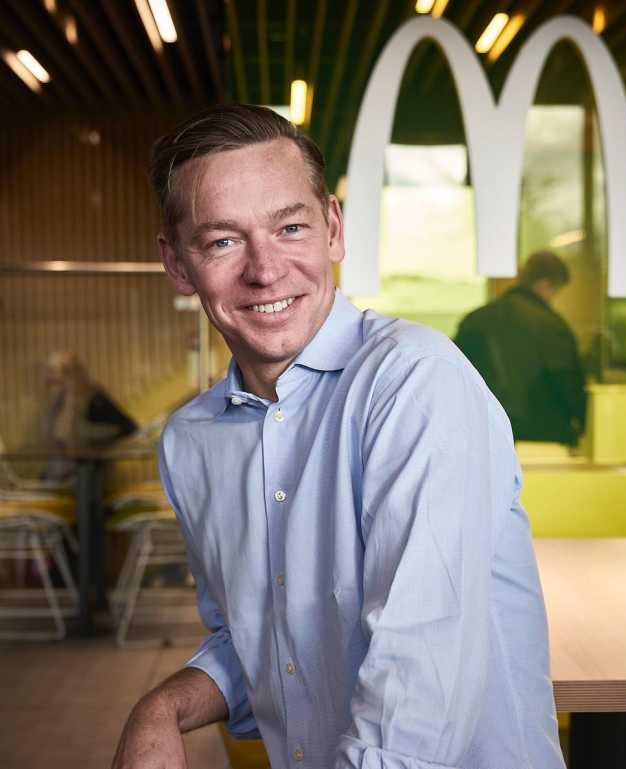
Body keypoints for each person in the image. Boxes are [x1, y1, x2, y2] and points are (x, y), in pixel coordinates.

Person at [112, 105, 565, 769]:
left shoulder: (414, 383)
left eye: (289, 227)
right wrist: (164, 705)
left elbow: (414, 697)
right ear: (178, 265)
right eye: (223, 241)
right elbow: (264, 643)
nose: (265, 269)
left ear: (332, 228)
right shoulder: (193, 441)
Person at [453, 251, 587, 446]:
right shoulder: (552, 326)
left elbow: (456, 379)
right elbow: (567, 382)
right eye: (555, 291)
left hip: (487, 436)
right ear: (544, 284)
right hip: (544, 439)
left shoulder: (475, 320)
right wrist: (584, 423)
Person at [40, 351, 137, 481]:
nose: (49, 378)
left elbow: (128, 428)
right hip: (64, 469)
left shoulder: (95, 399)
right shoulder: (60, 399)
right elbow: (55, 436)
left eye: (55, 371)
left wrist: (95, 442)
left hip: (89, 469)